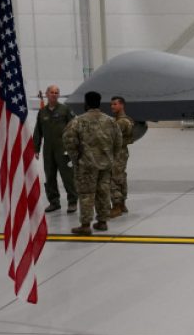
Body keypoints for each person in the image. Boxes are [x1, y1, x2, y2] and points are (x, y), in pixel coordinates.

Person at [62, 91, 122, 235]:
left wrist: (77, 159)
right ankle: (102, 222)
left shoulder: (78, 121)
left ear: (86, 103)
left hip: (86, 165)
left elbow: (68, 141)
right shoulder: (110, 121)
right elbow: (118, 141)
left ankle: (85, 225)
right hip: (105, 164)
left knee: (86, 194)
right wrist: (111, 157)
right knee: (103, 192)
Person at [33, 85, 77, 213]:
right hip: (48, 151)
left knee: (68, 177)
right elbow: (38, 132)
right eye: (51, 92)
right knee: (50, 177)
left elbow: (74, 128)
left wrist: (74, 147)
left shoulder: (65, 110)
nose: (54, 94)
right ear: (47, 94)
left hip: (64, 150)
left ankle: (72, 202)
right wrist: (36, 148)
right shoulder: (42, 112)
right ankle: (54, 202)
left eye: (56, 92)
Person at [109, 96, 134, 218]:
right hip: (122, 152)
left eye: (115, 104)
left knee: (113, 178)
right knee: (121, 177)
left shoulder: (121, 122)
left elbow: (110, 137)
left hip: (117, 153)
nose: (112, 106)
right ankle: (122, 204)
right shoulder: (123, 120)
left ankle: (116, 206)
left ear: (122, 105)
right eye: (111, 104)